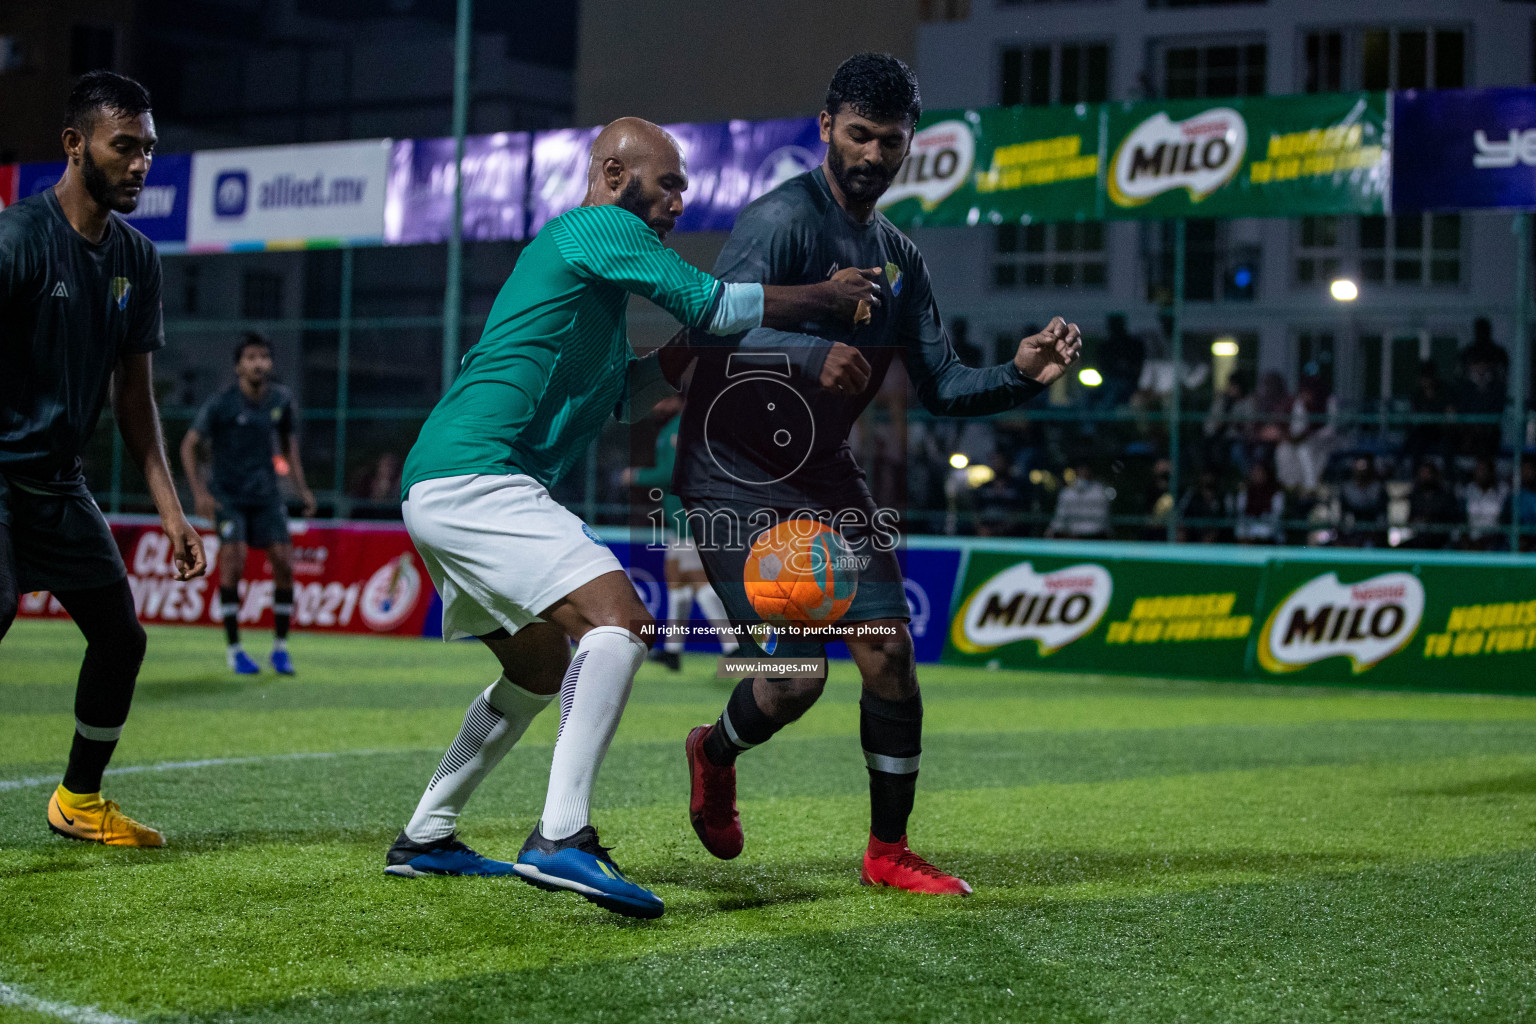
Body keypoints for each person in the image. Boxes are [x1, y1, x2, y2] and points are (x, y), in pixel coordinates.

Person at [382, 117, 878, 919]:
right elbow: (713, 303)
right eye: (669, 182)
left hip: (443, 484)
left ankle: (427, 835)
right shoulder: (596, 226)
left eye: (685, 186)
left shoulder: (594, 289)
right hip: (479, 476)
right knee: (620, 622)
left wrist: (712, 351)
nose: (681, 199)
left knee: (537, 669)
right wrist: (821, 296)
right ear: (615, 175)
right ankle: (560, 838)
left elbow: (629, 394)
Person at [672, 54, 1081, 896]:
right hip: (733, 474)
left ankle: (887, 851)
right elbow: (711, 331)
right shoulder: (780, 219)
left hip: (823, 476)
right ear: (826, 128)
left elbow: (943, 386)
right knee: (797, 677)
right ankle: (712, 752)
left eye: (889, 142)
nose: (871, 156)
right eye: (858, 135)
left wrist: (1018, 372)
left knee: (890, 652)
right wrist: (813, 350)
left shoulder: (902, 260)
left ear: (908, 147)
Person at [0, 71, 206, 846]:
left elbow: (135, 404)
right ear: (74, 144)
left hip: (57, 483)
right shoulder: (17, 240)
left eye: (149, 149)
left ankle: (77, 802)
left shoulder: (138, 261)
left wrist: (172, 512)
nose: (141, 164)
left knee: (121, 637)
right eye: (125, 147)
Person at [181, 333, 315, 676]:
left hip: (267, 496)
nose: (259, 363)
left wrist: (302, 490)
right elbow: (188, 446)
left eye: (264, 357)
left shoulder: (281, 399)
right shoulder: (222, 403)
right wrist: (200, 493)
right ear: (239, 365)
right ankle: (235, 650)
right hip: (228, 496)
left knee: (285, 564)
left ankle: (280, 650)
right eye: (252, 357)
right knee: (234, 562)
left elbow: (289, 448)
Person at [622, 394, 739, 669]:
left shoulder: (679, 428)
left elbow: (671, 473)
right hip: (681, 519)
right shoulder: (681, 426)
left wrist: (635, 476)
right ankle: (673, 651)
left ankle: (733, 646)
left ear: (676, 399)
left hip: (690, 518)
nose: (655, 406)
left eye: (661, 400)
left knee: (697, 582)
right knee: (677, 583)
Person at [1046, 461, 1113, 539]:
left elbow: (1103, 519)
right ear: (1076, 472)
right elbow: (1060, 518)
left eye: (1085, 470)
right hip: (1073, 538)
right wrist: (1052, 531)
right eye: (1080, 470)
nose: (1083, 473)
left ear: (1090, 472)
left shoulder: (1100, 492)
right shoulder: (1066, 493)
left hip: (1096, 537)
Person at [1405, 459, 1460, 549]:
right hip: (1418, 538)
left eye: (1427, 473)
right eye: (1422, 473)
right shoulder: (1415, 496)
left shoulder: (1446, 496)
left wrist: (1429, 520)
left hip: (1440, 539)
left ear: (1435, 475)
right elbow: (1409, 520)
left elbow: (1450, 521)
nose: (1424, 476)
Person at [1337, 456, 1388, 547]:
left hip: (1373, 532)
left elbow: (1382, 517)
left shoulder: (1378, 489)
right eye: (1358, 469)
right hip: (1352, 531)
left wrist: (1376, 534)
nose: (1361, 472)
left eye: (1364, 469)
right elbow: (1343, 517)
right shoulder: (1347, 489)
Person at [1460, 455, 1508, 550]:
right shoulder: (1468, 490)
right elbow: (1462, 519)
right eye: (1478, 470)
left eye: (1484, 470)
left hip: (1495, 540)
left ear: (1491, 472)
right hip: (1471, 540)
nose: (1481, 473)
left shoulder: (1503, 491)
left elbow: (1505, 519)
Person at [1232, 461, 1284, 544]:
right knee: (1240, 529)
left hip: (1267, 522)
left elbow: (1277, 512)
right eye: (1255, 473)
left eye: (1260, 472)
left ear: (1266, 474)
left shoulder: (1275, 491)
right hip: (1249, 522)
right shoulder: (1245, 490)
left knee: (1266, 531)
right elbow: (1240, 510)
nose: (1258, 475)